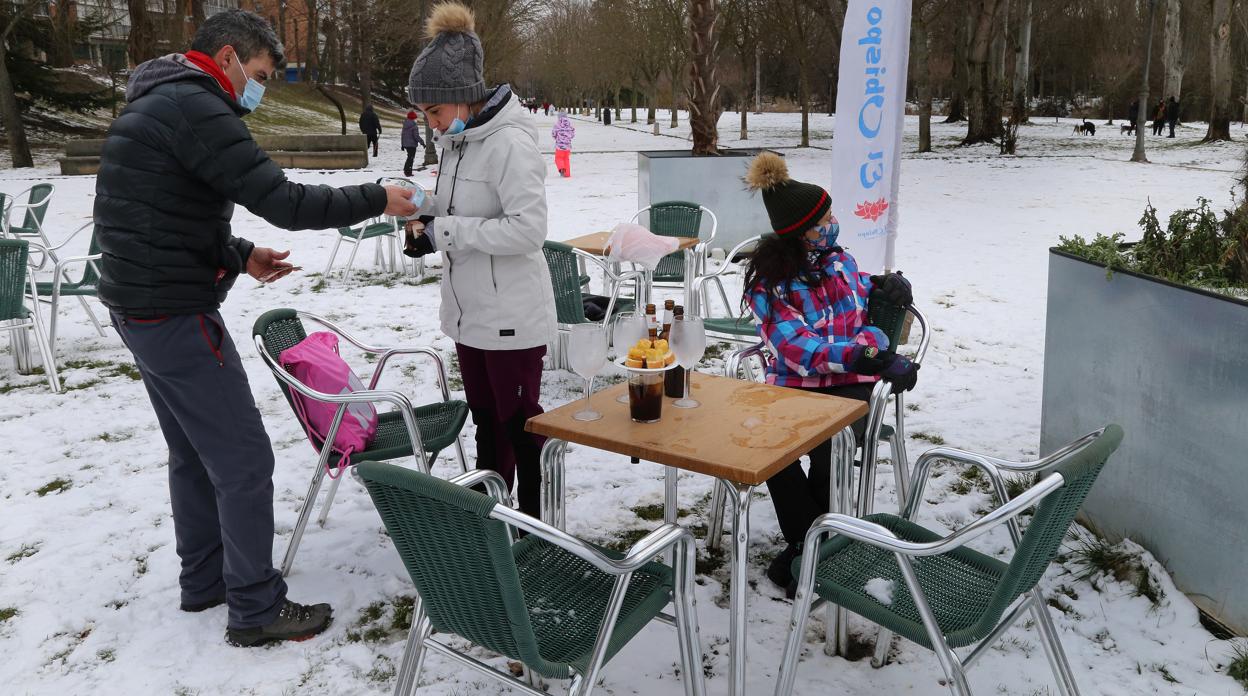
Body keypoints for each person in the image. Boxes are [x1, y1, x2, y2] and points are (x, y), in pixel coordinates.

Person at [92, 9, 418, 647]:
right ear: (231, 57)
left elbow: (162, 212)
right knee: (243, 460)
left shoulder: (159, 103)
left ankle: (205, 580)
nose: (261, 88)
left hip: (140, 305)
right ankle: (254, 606)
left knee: (193, 453)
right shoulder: (195, 105)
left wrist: (239, 254)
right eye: (262, 74)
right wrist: (379, 198)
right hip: (173, 312)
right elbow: (286, 201)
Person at [739, 152, 919, 597]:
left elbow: (859, 297)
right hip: (796, 383)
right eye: (824, 220)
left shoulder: (839, 261)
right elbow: (794, 346)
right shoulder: (770, 282)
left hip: (849, 387)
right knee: (766, 449)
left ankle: (808, 546)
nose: (832, 223)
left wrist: (885, 285)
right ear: (799, 233)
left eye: (831, 215)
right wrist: (859, 356)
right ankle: (811, 541)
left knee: (830, 447)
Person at [401, 2, 556, 518]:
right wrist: (424, 214)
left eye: (435, 111)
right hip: (469, 313)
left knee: (518, 422)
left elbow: (529, 229)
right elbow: (457, 212)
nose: (431, 123)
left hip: (511, 315)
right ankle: (493, 512)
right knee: (486, 418)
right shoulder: (458, 142)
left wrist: (447, 229)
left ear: (463, 98)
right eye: (426, 114)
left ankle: (533, 521)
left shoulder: (510, 144)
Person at [401, 110, 425, 177]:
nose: (416, 119)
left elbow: (403, 135)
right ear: (413, 118)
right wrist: (422, 143)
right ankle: (408, 171)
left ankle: (407, 170)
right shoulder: (414, 126)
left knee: (409, 157)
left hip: (406, 144)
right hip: (411, 145)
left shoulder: (405, 124)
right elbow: (416, 136)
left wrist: (402, 145)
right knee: (411, 158)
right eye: (415, 118)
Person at [552, 111, 575, 177]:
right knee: (566, 159)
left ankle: (562, 168)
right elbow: (572, 134)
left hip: (559, 146)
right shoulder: (569, 125)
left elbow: (553, 134)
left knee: (558, 158)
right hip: (568, 146)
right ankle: (567, 174)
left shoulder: (557, 125)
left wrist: (557, 138)